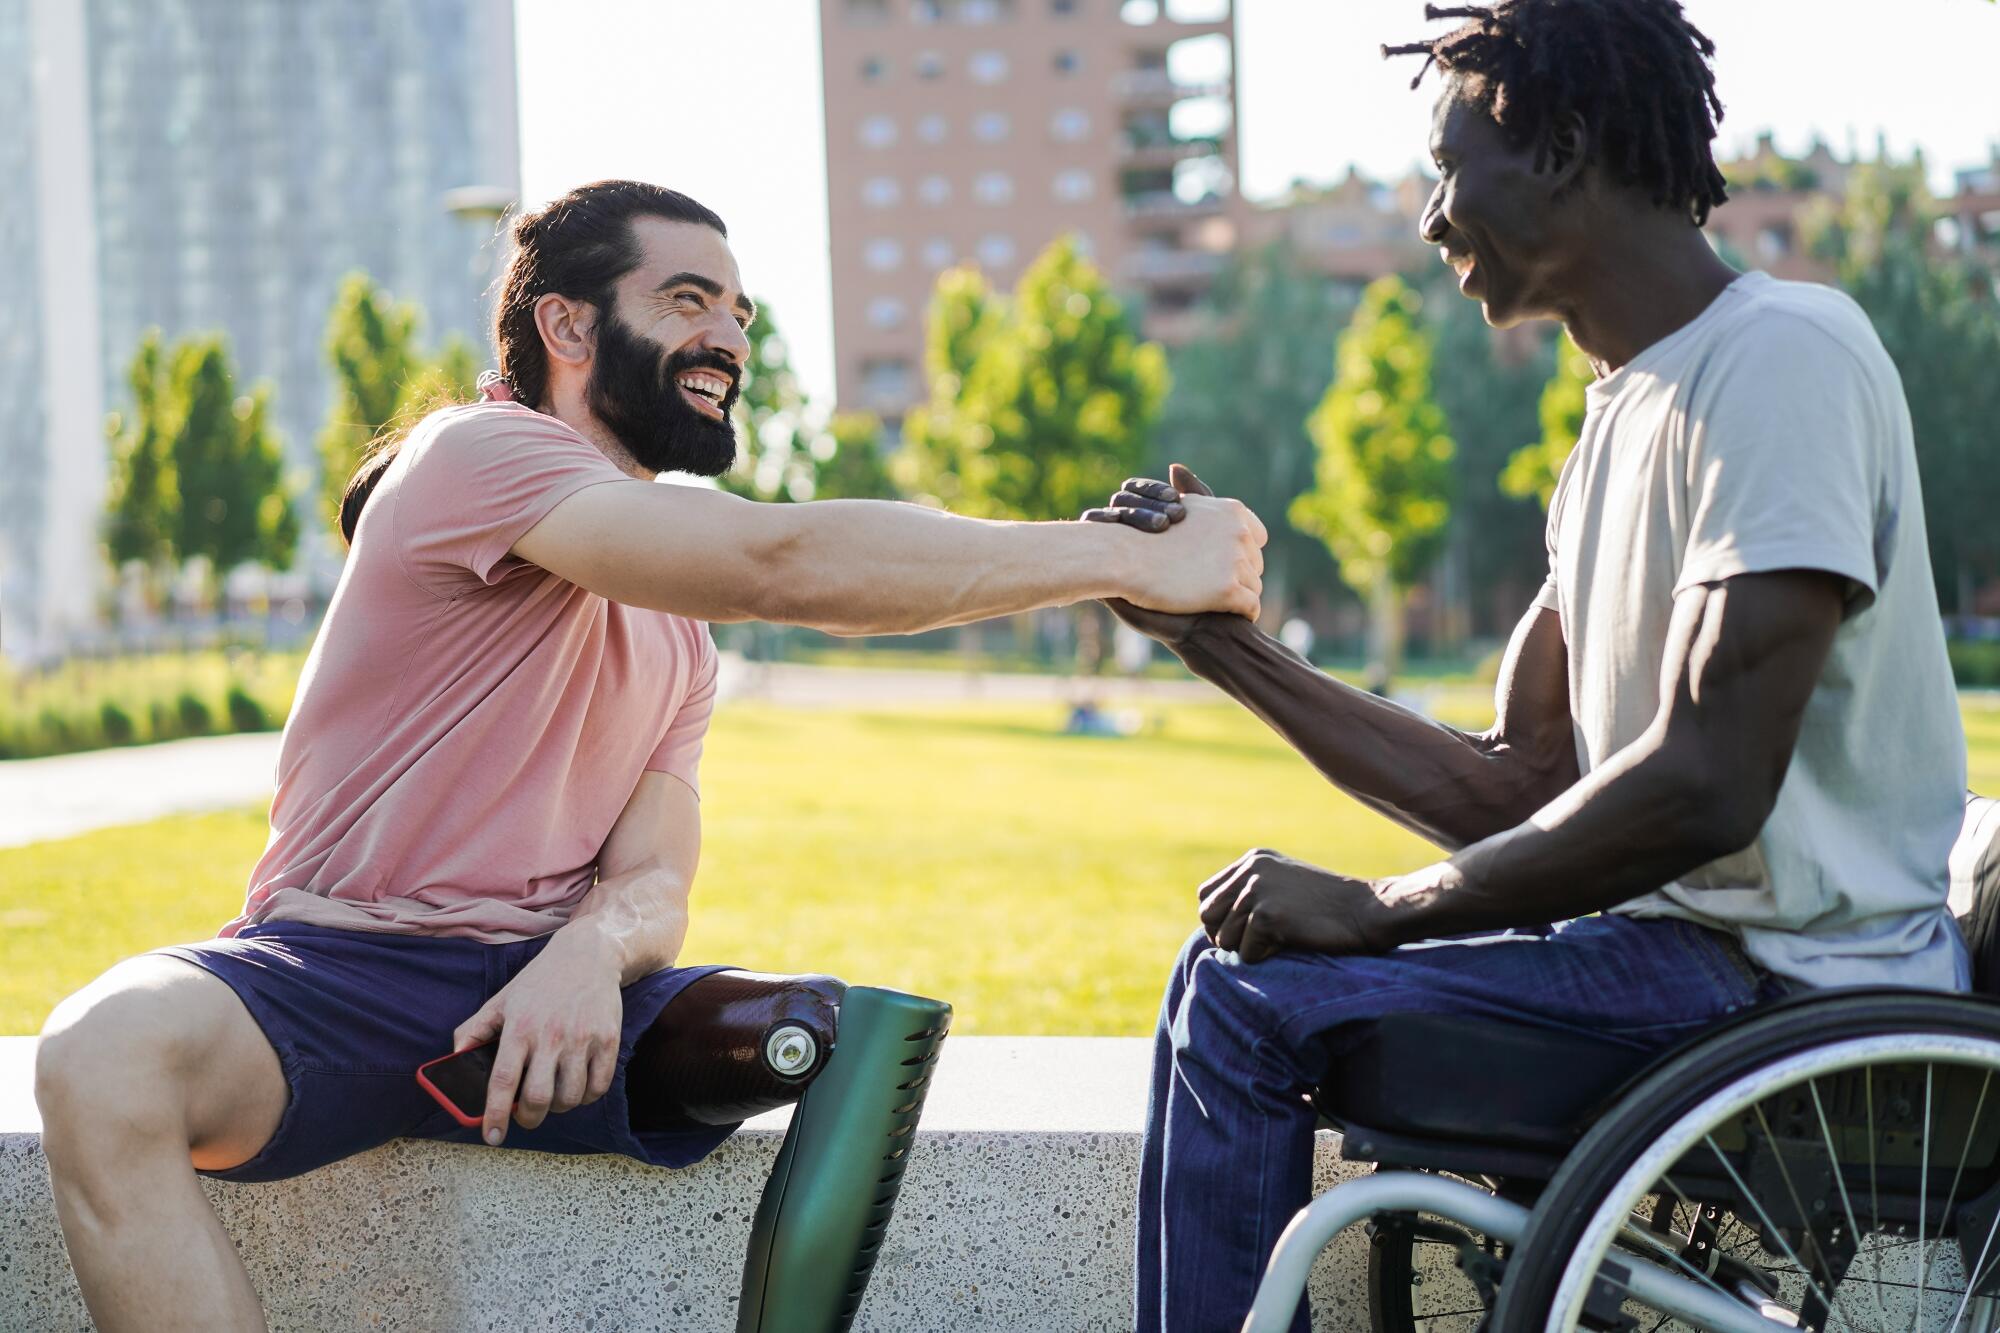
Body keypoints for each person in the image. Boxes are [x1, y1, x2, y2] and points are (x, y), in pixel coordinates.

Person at [32, 179, 1267, 1332]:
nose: (727, 337)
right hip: (328, 971)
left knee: (847, 1039)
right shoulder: (472, 454)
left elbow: (653, 876)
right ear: (565, 324)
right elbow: (777, 562)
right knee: (103, 1053)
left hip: (547, 1008)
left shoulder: (676, 640)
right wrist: (1121, 559)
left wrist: (590, 946)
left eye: (736, 310)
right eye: (686, 301)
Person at [1089, 2, 1970, 1326]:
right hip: (1687, 962)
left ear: (1556, 149)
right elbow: (1519, 785)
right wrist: (1221, 649)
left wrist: (1380, 910)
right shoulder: (1617, 415)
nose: (1435, 220)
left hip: (1791, 994)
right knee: (1232, 964)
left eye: (1449, 171)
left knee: (1248, 1002)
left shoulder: (1783, 357)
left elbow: (1705, 787)